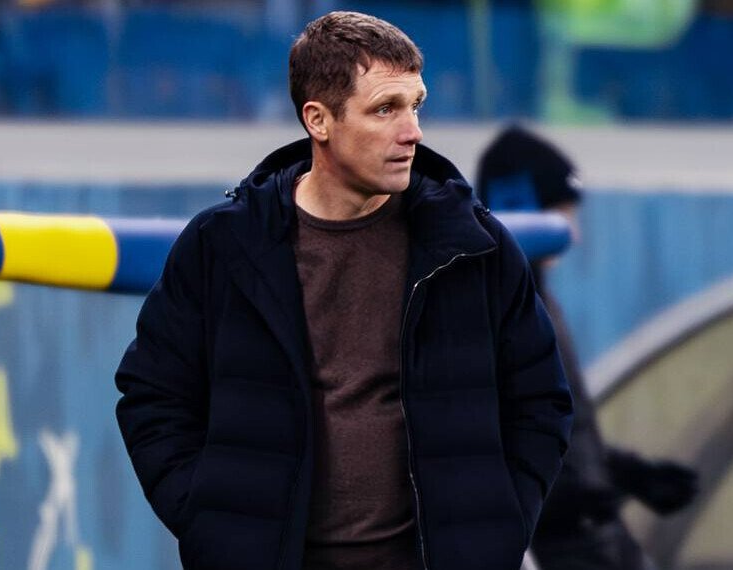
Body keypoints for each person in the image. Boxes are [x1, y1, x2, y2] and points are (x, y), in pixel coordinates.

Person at [115, 12, 574, 570]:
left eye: (416, 105)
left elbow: (541, 402)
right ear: (319, 120)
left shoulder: (475, 247)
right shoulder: (223, 245)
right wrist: (213, 525)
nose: (412, 131)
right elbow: (153, 394)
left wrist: (496, 530)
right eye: (385, 109)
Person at [476, 124, 700, 570]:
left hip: (599, 540)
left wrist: (627, 473)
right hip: (560, 550)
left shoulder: (539, 301)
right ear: (517, 209)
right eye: (561, 216)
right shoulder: (493, 313)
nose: (572, 236)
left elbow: (561, 432)